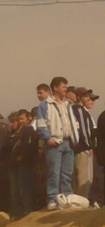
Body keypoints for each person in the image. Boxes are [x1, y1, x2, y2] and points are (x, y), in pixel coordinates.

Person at [37, 76, 80, 210]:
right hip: (55, 143)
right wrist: (48, 138)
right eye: (63, 87)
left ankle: (67, 198)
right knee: (53, 173)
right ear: (55, 87)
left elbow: (73, 123)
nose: (66, 89)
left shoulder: (67, 104)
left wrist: (75, 138)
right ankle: (52, 199)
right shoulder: (45, 105)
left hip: (68, 142)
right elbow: (41, 125)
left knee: (67, 173)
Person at [71, 87, 98, 200]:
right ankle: (83, 201)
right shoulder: (80, 110)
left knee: (77, 178)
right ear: (79, 97)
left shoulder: (73, 109)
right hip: (83, 148)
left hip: (76, 148)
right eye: (85, 96)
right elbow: (84, 130)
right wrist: (89, 146)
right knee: (85, 178)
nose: (87, 99)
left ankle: (78, 201)